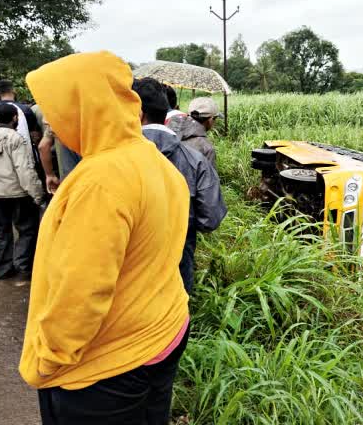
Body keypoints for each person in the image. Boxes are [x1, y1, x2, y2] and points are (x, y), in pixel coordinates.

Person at [20, 51, 191, 424]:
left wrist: (49, 358)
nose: (49, 119)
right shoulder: (152, 158)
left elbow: (81, 291)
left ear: (84, 107)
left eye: (54, 107)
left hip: (111, 362)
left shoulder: (101, 180)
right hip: (162, 328)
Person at [134, 78, 227, 293]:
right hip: (180, 257)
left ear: (137, 114)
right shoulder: (196, 159)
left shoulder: (109, 160)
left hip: (130, 275)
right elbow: (210, 218)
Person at [0, 103, 44, 280]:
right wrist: (37, 194)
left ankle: (3, 269)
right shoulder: (15, 138)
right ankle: (23, 265)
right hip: (17, 193)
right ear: (15, 118)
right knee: (27, 229)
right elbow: (24, 169)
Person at [167, 96, 222, 169]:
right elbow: (208, 179)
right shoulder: (206, 148)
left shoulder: (168, 130)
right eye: (215, 118)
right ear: (210, 120)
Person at [0, 79, 41, 144]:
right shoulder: (25, 109)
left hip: (0, 151)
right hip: (23, 150)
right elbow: (35, 135)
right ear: (13, 90)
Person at [37, 118, 81, 194]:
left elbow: (43, 146)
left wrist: (49, 175)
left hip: (69, 180)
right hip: (95, 177)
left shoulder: (59, 117)